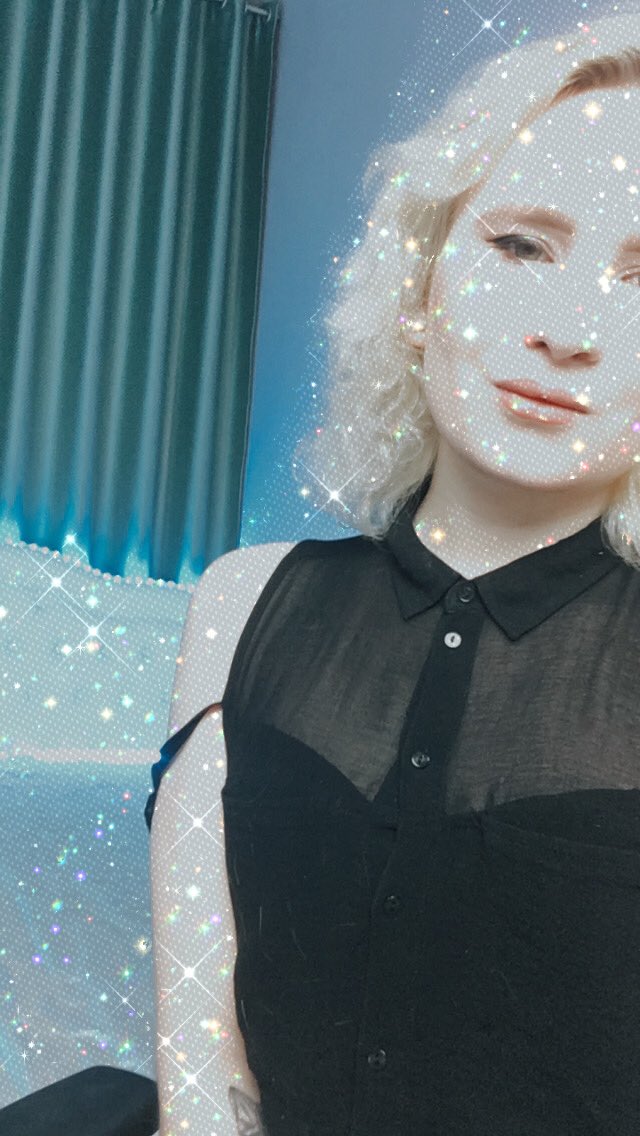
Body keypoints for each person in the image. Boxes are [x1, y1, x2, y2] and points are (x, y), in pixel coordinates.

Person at [147, 12, 640, 1135]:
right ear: (420, 289)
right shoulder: (242, 602)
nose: (569, 330)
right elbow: (202, 1080)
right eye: (523, 247)